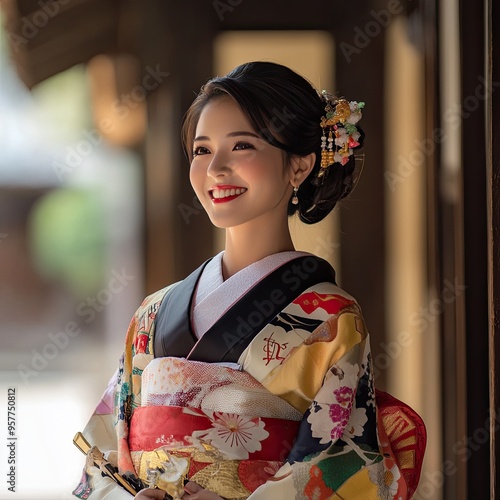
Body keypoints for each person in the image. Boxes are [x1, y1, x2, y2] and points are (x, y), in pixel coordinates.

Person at [73, 61, 425, 500]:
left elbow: (341, 466)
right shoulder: (153, 313)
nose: (216, 168)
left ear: (299, 166)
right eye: (202, 150)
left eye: (241, 146)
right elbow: (103, 459)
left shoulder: (330, 318)